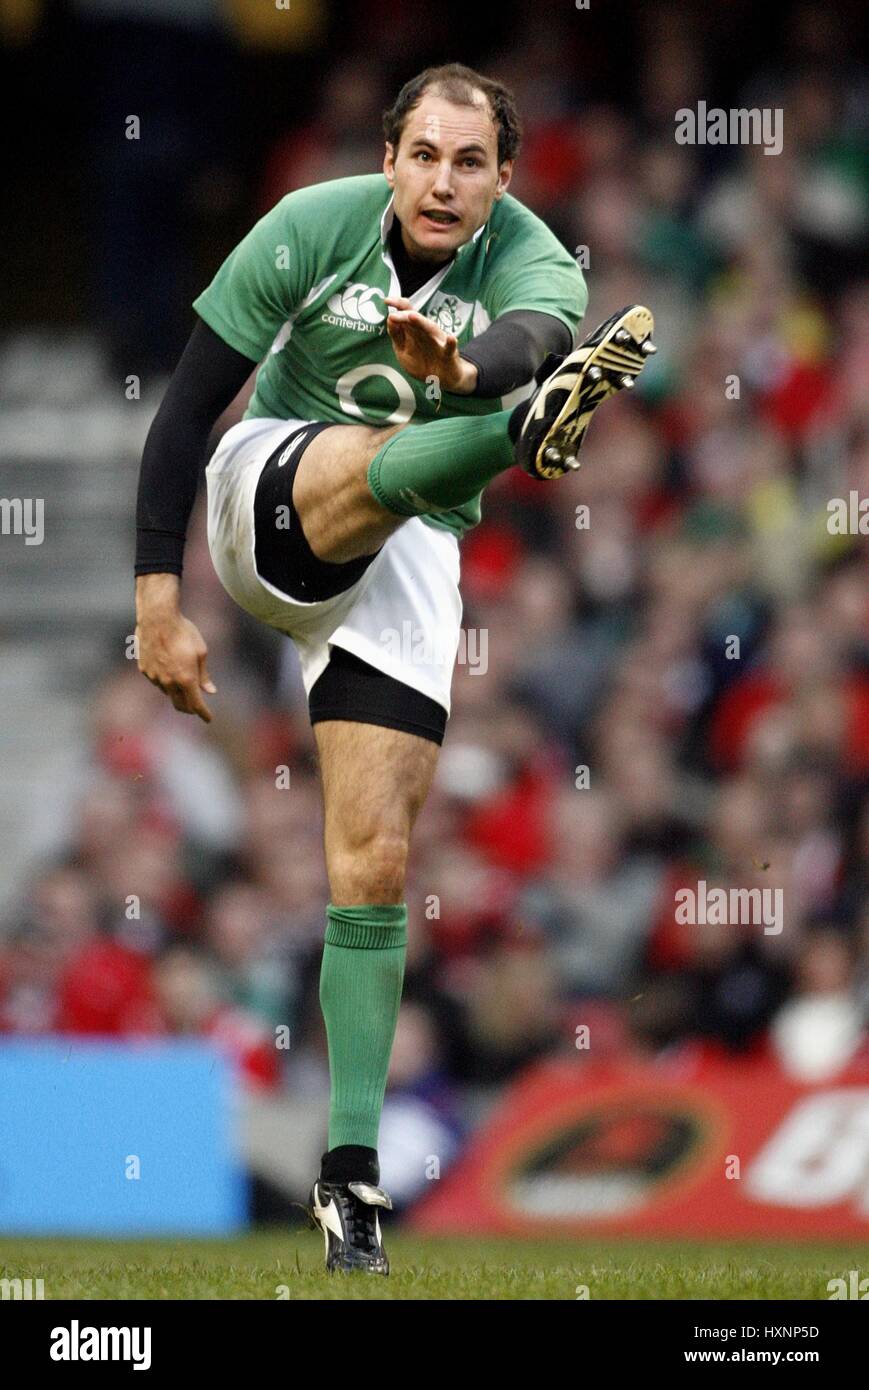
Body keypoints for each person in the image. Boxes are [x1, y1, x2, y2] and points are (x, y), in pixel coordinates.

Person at [134, 61, 655, 1273]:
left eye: (468, 162)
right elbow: (185, 410)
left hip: (410, 557)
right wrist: (157, 602)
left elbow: (535, 333)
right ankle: (516, 443)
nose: (441, 179)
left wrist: (465, 372)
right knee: (379, 453)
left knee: (371, 860)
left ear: (502, 180)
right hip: (271, 485)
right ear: (388, 160)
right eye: (423, 154)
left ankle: (348, 1180)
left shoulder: (537, 259)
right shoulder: (308, 228)